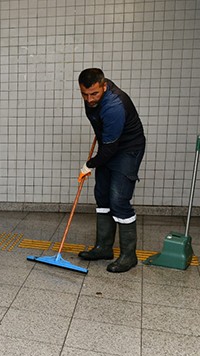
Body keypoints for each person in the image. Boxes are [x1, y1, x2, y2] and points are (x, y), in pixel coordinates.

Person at [76, 68, 146, 273]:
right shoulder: (93, 98)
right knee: (102, 195)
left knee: (118, 199)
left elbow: (110, 149)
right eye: (84, 94)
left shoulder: (114, 105)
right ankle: (104, 248)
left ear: (104, 86)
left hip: (127, 149)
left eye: (94, 94)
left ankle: (128, 256)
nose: (89, 99)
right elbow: (104, 136)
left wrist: (89, 165)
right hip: (110, 145)